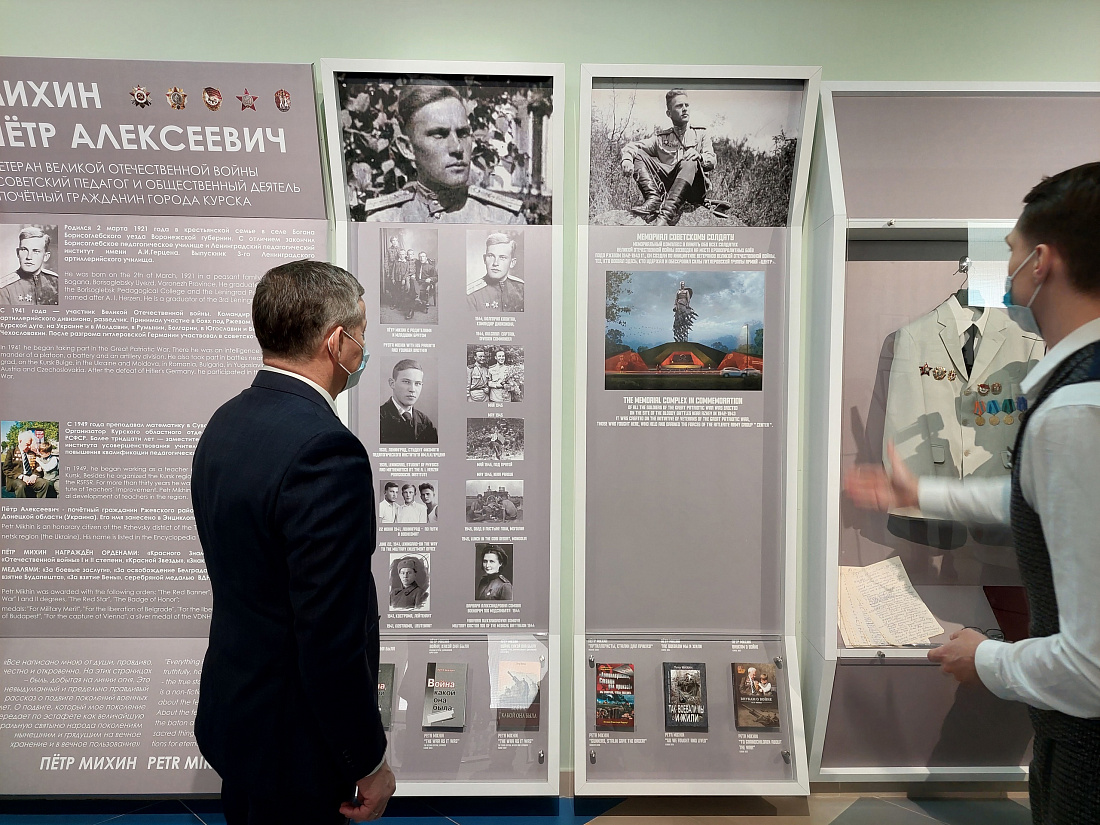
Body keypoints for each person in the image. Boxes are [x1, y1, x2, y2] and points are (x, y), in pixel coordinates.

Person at [845, 163, 1100, 825]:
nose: (1005, 269)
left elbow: (1091, 665)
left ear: (1042, 262)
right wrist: (920, 491)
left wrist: (985, 658)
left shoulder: (1077, 407)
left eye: (1011, 251)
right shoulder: (1077, 384)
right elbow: (1045, 499)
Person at [191, 259, 394, 825]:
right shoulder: (326, 450)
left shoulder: (226, 421)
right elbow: (329, 637)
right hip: (297, 748)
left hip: (240, 718)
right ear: (336, 341)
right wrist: (367, 759)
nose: (362, 349)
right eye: (362, 334)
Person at [362, 81, 525, 224]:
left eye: (463, 133)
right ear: (408, 148)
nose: (458, 148)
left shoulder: (504, 220)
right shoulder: (383, 220)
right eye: (439, 135)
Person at [619, 89, 715, 226]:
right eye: (679, 106)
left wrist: (699, 157)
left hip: (693, 189)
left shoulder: (701, 134)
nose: (684, 109)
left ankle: (665, 215)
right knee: (638, 154)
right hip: (669, 188)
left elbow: (712, 160)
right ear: (669, 113)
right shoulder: (661, 138)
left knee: (689, 161)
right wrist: (627, 159)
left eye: (687, 105)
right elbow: (634, 146)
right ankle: (654, 199)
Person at [379, 359, 438, 444]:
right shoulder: (378, 418)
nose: (412, 389)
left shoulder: (425, 422)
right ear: (392, 383)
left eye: (417, 383)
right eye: (406, 382)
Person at [467, 232, 524, 313]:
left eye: (502, 257)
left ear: (512, 263)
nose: (495, 263)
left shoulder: (522, 289)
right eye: (491, 256)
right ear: (484, 259)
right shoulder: (471, 295)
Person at [0, 227, 59, 306]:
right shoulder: (4, 289)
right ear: (18, 253)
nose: (29, 257)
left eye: (36, 251)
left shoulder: (56, 282)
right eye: (24, 250)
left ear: (46, 256)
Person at [2, 431, 49, 498]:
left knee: (44, 483)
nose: (29, 447)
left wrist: (34, 475)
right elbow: (6, 469)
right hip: (15, 479)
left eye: (30, 444)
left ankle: (39, 503)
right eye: (27, 444)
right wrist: (22, 477)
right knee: (21, 485)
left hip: (30, 477)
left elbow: (38, 467)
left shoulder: (32, 453)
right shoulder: (11, 452)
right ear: (20, 441)